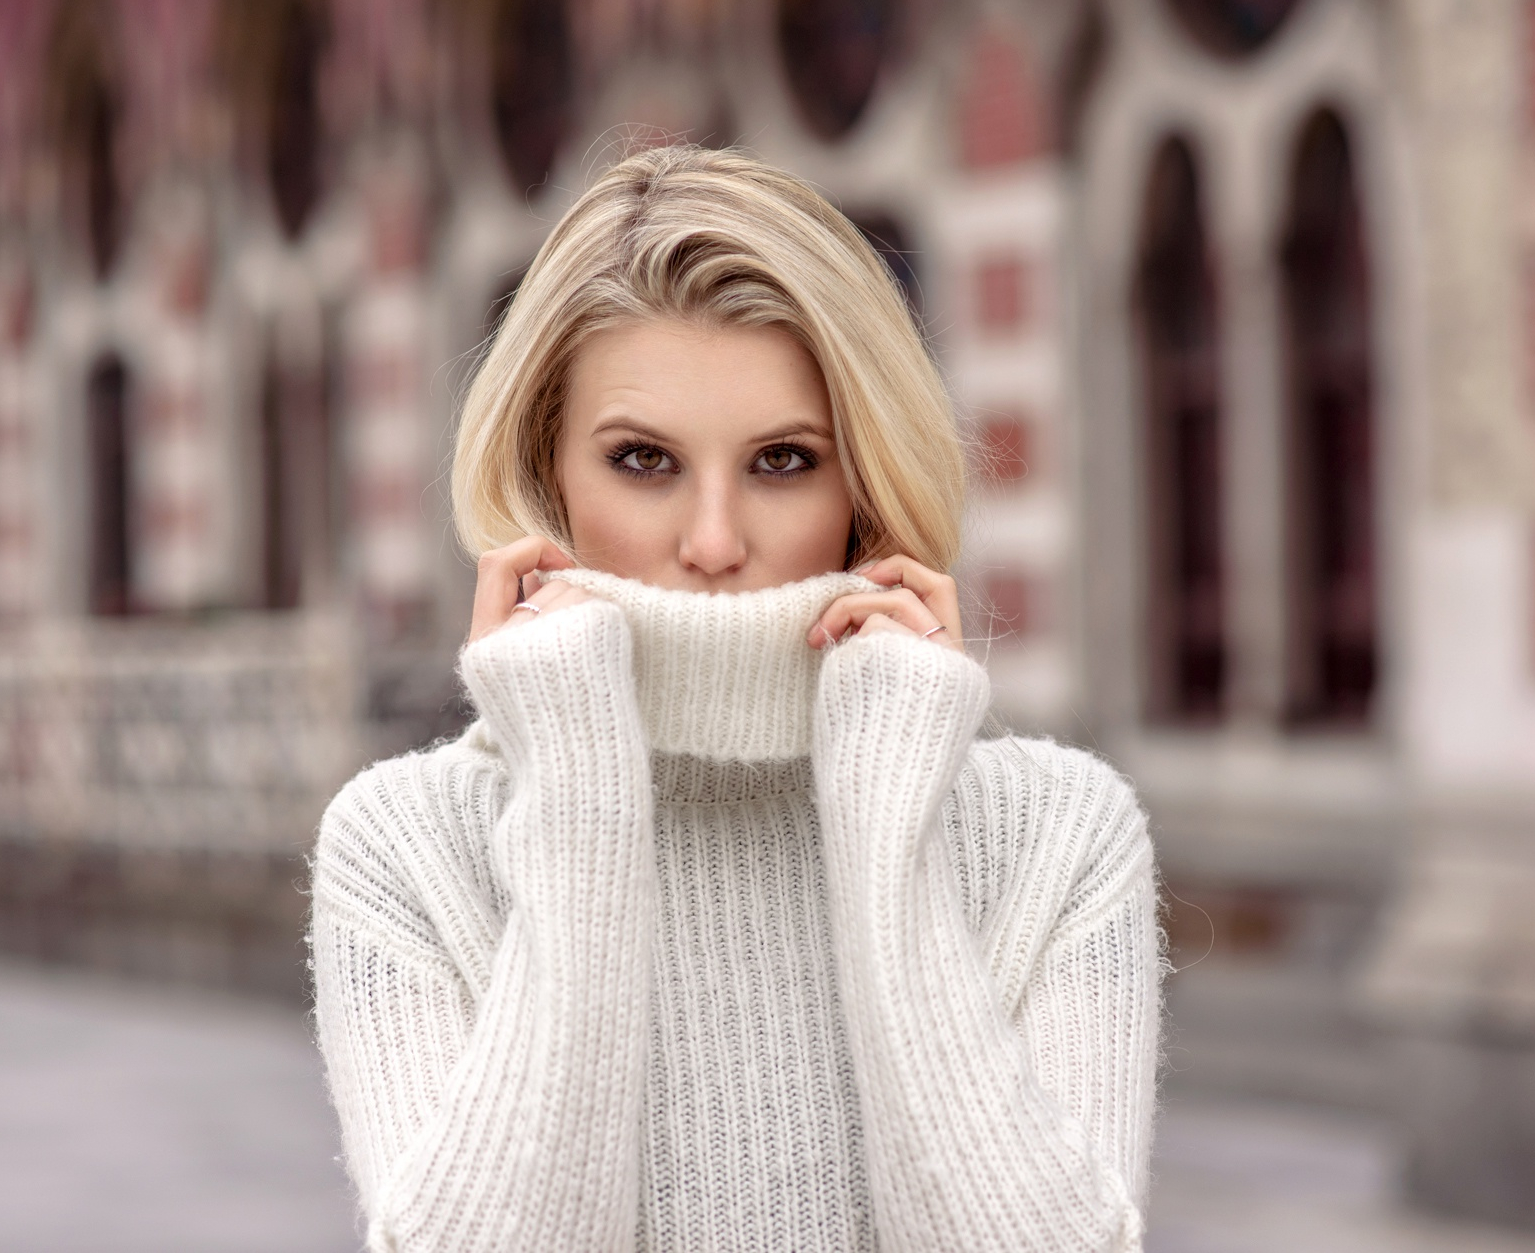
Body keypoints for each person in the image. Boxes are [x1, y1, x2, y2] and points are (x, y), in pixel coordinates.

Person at [308, 144, 1167, 1253]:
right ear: (544, 471)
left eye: (780, 462)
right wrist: (574, 786)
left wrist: (887, 820)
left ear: (862, 475)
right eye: (643, 461)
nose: (713, 543)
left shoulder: (1061, 837)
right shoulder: (402, 850)